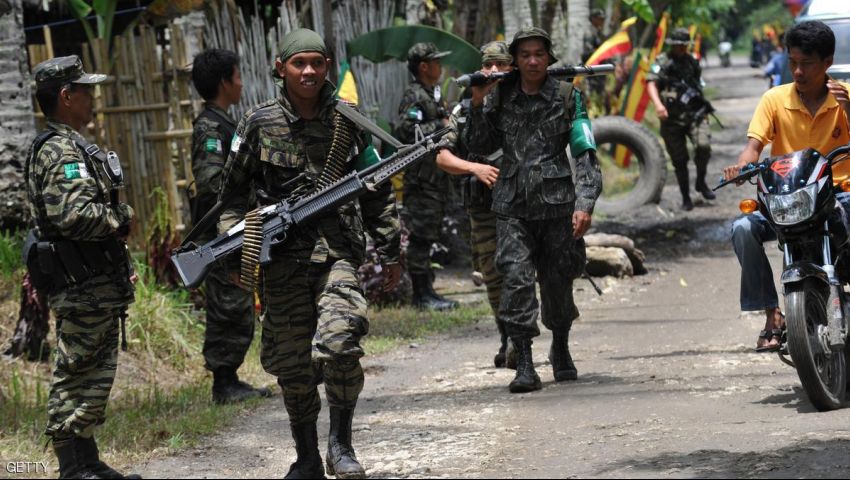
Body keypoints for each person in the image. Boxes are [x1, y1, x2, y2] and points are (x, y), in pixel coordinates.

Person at [217, 28, 402, 478]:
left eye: (317, 63)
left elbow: (375, 188)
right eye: (299, 63)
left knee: (341, 342)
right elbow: (231, 197)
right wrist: (235, 254)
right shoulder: (257, 123)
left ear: (327, 67)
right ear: (280, 68)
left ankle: (341, 445)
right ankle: (306, 457)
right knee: (293, 366)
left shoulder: (348, 121)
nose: (309, 72)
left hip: (337, 253)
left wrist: (390, 249)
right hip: (280, 261)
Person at [464, 27, 603, 393]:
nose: (532, 61)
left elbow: (585, 152)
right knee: (516, 280)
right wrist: (477, 103)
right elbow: (479, 144)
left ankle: (561, 345)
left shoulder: (567, 95)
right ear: (515, 60)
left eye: (539, 54)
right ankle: (524, 362)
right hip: (512, 206)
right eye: (524, 55)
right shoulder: (499, 95)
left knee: (558, 281)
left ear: (548, 57)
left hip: (557, 207)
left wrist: (585, 203)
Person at [26, 55, 140, 478]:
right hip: (81, 287)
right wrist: (122, 216)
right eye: (85, 90)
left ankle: (87, 461)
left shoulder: (70, 145)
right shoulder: (60, 151)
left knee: (93, 377)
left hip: (95, 284)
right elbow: (74, 217)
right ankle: (73, 468)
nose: (93, 97)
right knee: (76, 376)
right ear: (66, 96)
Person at [723, 20, 850, 352]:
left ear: (827, 62)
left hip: (838, 194)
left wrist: (848, 108)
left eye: (806, 63)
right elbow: (753, 147)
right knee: (743, 228)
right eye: (792, 62)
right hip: (788, 198)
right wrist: (742, 165)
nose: (797, 71)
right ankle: (772, 314)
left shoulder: (845, 97)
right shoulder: (774, 99)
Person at [189, 48, 272, 404]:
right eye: (238, 77)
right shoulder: (210, 127)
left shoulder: (225, 123)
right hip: (221, 235)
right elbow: (210, 183)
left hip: (236, 229)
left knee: (238, 303)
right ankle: (224, 383)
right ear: (224, 82)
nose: (242, 84)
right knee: (228, 305)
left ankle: (230, 378)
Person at [436, 41, 515, 369]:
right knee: (494, 275)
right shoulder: (464, 109)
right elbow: (443, 157)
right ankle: (507, 336)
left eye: (501, 65)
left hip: (521, 203)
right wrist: (475, 168)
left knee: (519, 271)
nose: (494, 71)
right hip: (483, 207)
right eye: (488, 65)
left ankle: (521, 337)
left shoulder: (523, 102)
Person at [395, 42, 458, 311]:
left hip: (436, 179)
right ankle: (421, 296)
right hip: (422, 181)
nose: (440, 66)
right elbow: (406, 131)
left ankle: (428, 290)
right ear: (423, 66)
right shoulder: (414, 95)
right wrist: (441, 125)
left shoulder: (432, 93)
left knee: (429, 234)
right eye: (436, 62)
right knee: (420, 237)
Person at [647, 27, 715, 211]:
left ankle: (701, 182)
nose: (683, 48)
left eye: (685, 45)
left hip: (694, 115)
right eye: (679, 45)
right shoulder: (662, 61)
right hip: (672, 119)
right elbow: (651, 83)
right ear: (672, 45)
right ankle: (686, 198)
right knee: (679, 160)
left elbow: (698, 86)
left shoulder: (692, 61)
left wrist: (704, 108)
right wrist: (658, 105)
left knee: (704, 146)